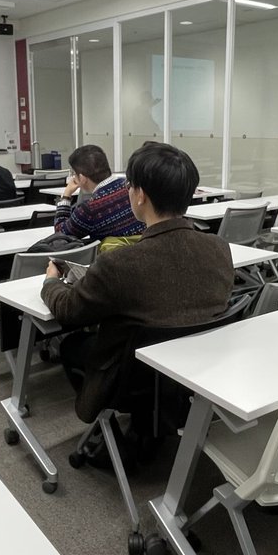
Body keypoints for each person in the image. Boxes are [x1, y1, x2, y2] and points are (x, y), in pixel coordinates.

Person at [41, 143, 234, 431]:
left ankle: (106, 425)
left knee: (71, 345)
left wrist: (51, 282)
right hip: (195, 369)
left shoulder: (120, 264)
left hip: (131, 378)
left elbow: (69, 312)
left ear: (140, 194)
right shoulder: (220, 248)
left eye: (129, 186)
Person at [53, 144, 143, 240]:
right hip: (143, 249)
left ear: (82, 178)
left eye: (75, 174)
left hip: (110, 254)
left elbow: (60, 234)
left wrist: (66, 196)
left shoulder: (89, 209)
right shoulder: (131, 188)